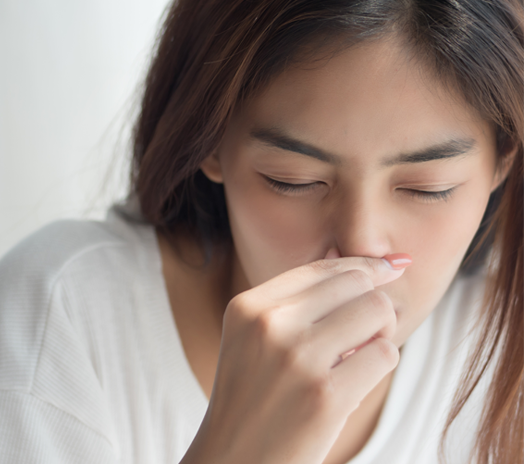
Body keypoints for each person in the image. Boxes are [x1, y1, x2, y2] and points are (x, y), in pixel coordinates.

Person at [0, 0, 522, 463]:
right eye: (292, 180)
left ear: (502, 161)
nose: (361, 245)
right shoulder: (60, 318)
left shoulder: (500, 349)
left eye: (428, 188)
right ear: (209, 143)